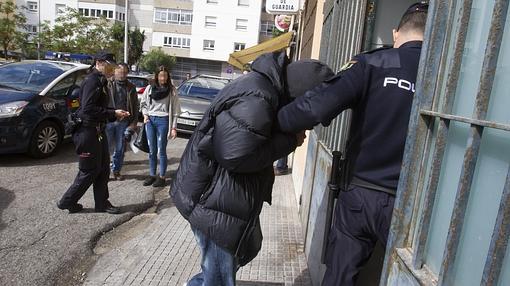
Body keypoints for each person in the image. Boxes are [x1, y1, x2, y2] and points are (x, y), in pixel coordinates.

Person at [277, 3, 428, 285]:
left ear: (396, 33)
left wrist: (274, 121)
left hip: (361, 195)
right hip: (412, 204)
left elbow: (316, 107)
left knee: (340, 277)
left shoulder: (374, 63)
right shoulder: (443, 80)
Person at [171, 51, 334, 286]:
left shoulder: (262, 89)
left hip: (221, 199)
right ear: (301, 97)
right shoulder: (259, 96)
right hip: (213, 202)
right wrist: (289, 141)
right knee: (219, 278)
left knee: (232, 260)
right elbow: (236, 156)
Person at [57, 52, 130, 214]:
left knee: (103, 169)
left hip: (98, 130)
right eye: (109, 65)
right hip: (87, 131)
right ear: (99, 63)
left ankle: (102, 203)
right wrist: (113, 113)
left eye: (113, 66)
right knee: (89, 170)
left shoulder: (101, 81)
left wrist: (113, 112)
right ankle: (67, 201)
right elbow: (88, 109)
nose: (112, 68)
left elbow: (97, 108)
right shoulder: (92, 81)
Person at [140, 66, 181, 188]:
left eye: (165, 76)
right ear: (157, 76)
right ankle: (152, 175)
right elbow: (143, 104)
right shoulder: (150, 88)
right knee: (152, 150)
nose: (163, 78)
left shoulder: (172, 90)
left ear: (168, 77)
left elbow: (175, 110)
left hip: (164, 121)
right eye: (161, 75)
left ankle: (162, 177)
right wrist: (145, 115)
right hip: (150, 120)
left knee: (161, 150)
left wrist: (174, 128)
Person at [105, 63, 139, 181]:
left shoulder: (131, 87)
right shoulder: (107, 84)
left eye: (124, 72)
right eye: (119, 72)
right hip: (108, 120)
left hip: (123, 122)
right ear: (115, 71)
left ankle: (116, 170)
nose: (122, 74)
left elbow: (135, 106)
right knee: (105, 148)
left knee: (119, 149)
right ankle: (103, 172)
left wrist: (134, 123)